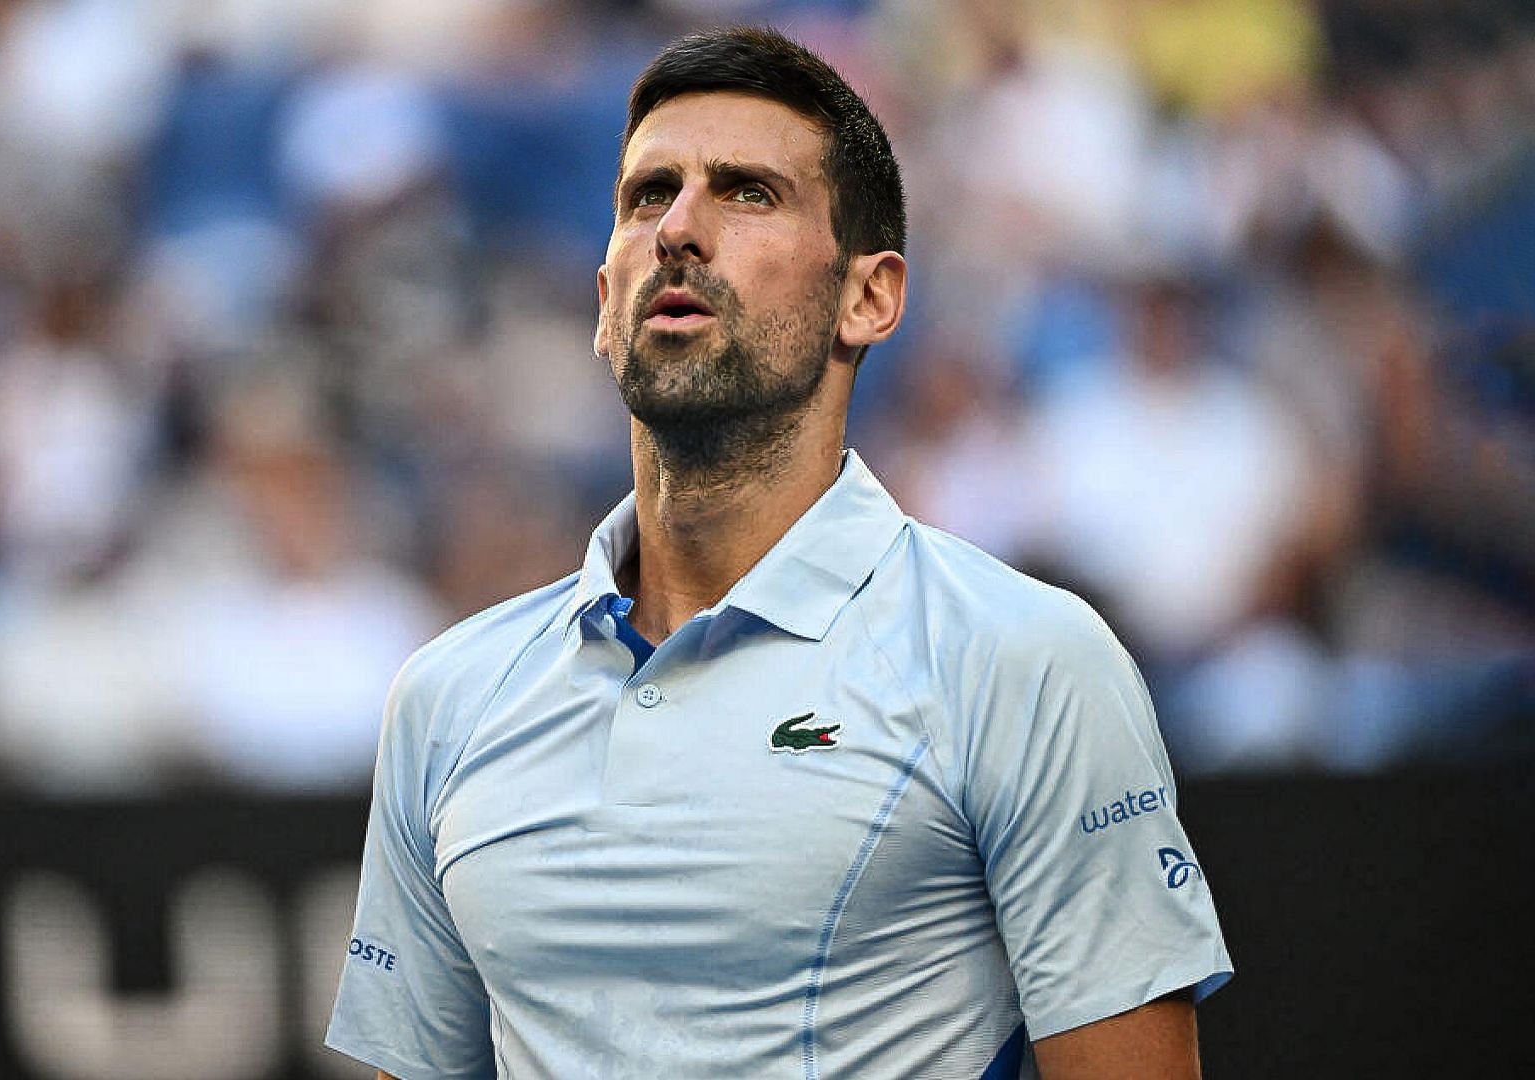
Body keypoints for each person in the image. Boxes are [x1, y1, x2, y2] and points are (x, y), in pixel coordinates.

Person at [325, 27, 1230, 1079]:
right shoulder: (447, 698)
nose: (678, 229)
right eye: (646, 195)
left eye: (747, 192)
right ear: (602, 303)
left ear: (870, 296)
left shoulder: (1024, 660)